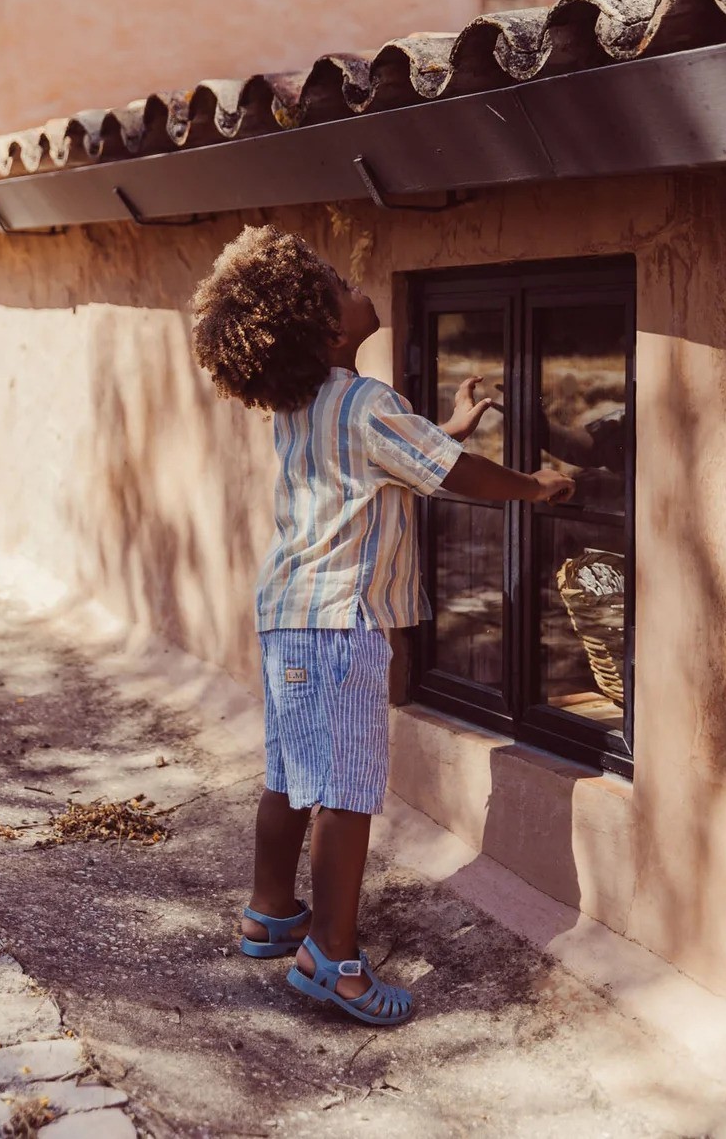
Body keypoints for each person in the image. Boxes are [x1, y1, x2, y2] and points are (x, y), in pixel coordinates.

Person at [190, 225, 574, 1028]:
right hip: (340, 623)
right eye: (338, 284)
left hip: (289, 617)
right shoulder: (368, 403)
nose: (355, 281)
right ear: (330, 330)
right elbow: (449, 472)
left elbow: (399, 457)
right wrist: (535, 485)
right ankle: (333, 958)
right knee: (348, 789)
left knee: (290, 772)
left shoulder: (302, 405)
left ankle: (269, 912)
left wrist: (449, 429)